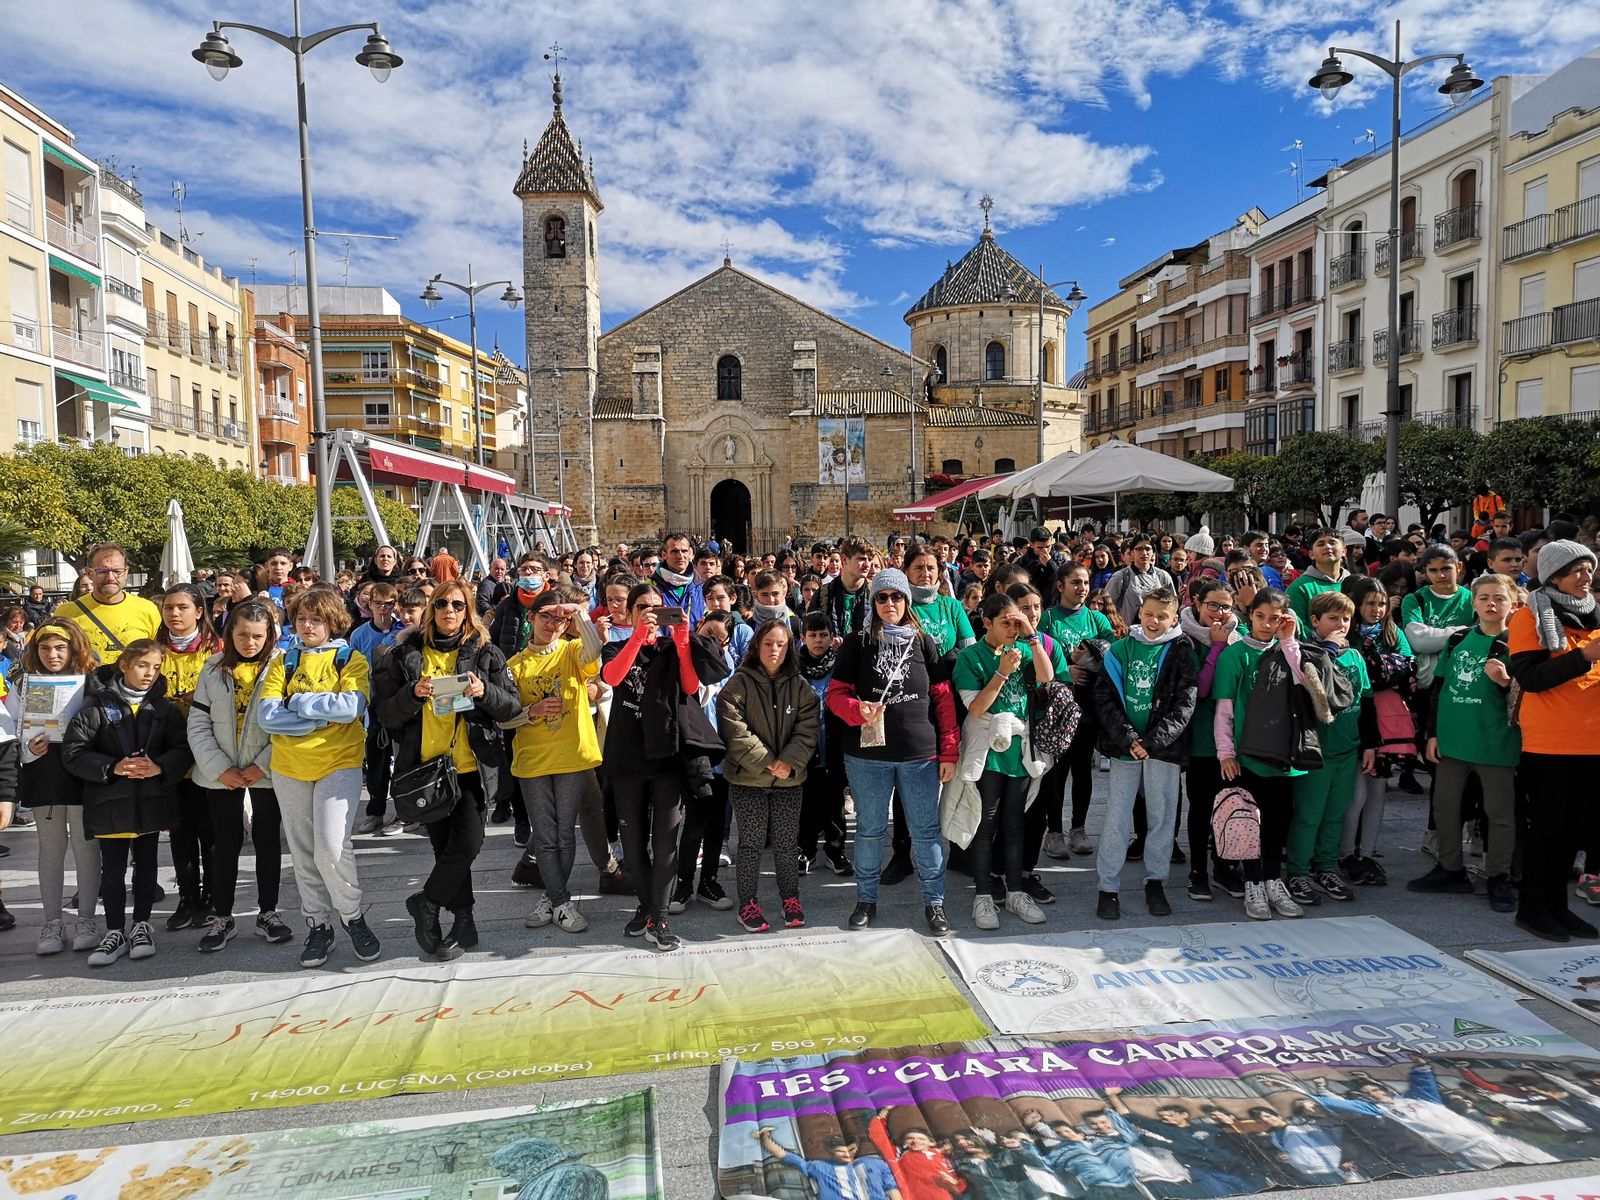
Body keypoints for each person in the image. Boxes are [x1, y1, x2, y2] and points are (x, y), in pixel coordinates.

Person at [374, 578, 518, 959]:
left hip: (471, 768)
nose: (449, 611)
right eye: (441, 604)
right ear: (430, 610)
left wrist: (484, 692)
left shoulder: (485, 652)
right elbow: (385, 714)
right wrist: (412, 694)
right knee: (446, 851)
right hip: (426, 771)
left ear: (468, 610)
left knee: (468, 845)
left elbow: (512, 707)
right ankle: (464, 924)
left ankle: (427, 901)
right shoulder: (406, 654)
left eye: (457, 605)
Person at [829, 568, 959, 935]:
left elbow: (943, 699)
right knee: (870, 830)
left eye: (897, 596)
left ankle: (934, 903)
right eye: (882, 597)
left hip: (920, 754)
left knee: (926, 831)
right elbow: (835, 694)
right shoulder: (857, 643)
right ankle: (866, 899)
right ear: (873, 602)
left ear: (907, 601)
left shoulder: (923, 642)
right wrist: (857, 710)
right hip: (868, 756)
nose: (890, 603)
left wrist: (949, 750)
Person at [257, 583, 380, 968]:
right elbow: (267, 717)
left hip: (339, 762)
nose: (307, 626)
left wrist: (297, 702)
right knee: (303, 851)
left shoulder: (351, 659)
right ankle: (318, 924)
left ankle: (352, 915)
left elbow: (351, 707)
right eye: (301, 619)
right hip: (289, 766)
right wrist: (320, 718)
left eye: (316, 619)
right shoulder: (282, 661)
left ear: (333, 622)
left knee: (331, 845)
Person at [600, 581, 726, 951]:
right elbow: (612, 677)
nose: (650, 613)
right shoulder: (615, 646)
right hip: (627, 757)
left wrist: (683, 638)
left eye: (657, 607)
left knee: (666, 842)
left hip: (668, 757)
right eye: (643, 607)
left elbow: (690, 686)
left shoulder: (673, 648)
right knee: (633, 845)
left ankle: (660, 917)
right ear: (630, 613)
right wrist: (639, 636)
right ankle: (647, 905)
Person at [62, 640, 193, 966]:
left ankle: (142, 925)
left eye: (156, 667)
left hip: (151, 801)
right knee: (112, 870)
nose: (150, 673)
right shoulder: (94, 708)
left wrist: (159, 767)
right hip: (109, 802)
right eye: (142, 666)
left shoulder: (164, 709)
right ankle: (115, 931)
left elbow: (182, 749)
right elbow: (74, 752)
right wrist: (112, 767)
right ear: (124, 666)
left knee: (147, 866)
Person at [1507, 541, 1600, 943]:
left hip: (1593, 742)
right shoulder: (1529, 616)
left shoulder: (1596, 614)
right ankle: (1532, 908)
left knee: (1574, 831)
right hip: (1549, 744)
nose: (1586, 577)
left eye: (1589, 569)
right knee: (1547, 829)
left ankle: (1558, 906)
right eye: (1577, 570)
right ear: (1554, 576)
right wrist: (1585, 657)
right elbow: (1531, 679)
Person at [187, 598, 292, 951]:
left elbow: (289, 724)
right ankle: (222, 915)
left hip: (265, 770)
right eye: (243, 634)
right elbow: (198, 723)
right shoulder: (213, 668)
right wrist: (220, 769)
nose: (250, 642)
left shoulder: (283, 666)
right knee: (224, 842)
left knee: (267, 839)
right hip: (222, 773)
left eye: (258, 636)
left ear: (270, 635)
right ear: (230, 632)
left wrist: (262, 765)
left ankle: (268, 911)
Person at [1410, 573, 1520, 912]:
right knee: (1445, 807)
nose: (1491, 604)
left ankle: (1498, 876)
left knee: (1499, 814)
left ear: (1513, 604)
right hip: (1452, 741)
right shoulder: (1458, 639)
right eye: (1484, 598)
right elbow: (1438, 689)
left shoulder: (1519, 643)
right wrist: (1432, 733)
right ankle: (1450, 869)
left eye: (1499, 598)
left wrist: (1506, 681)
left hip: (1496, 743)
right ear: (1473, 603)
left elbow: (1530, 694)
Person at [1091, 587, 1197, 920]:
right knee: (1117, 817)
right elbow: (1104, 699)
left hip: (1162, 750)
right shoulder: (1120, 649)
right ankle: (1108, 886)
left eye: (1162, 616)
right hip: (1125, 749)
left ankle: (1155, 882)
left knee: (1162, 816)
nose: (1154, 621)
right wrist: (1128, 738)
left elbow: (1185, 703)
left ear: (1174, 618)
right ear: (1139, 612)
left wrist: (1151, 742)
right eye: (1149, 614)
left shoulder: (1182, 650)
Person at [503, 589, 604, 935]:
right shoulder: (514, 665)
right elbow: (504, 719)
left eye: (560, 619)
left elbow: (594, 652)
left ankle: (554, 899)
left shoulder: (572, 651)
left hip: (571, 757)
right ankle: (560, 901)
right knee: (545, 837)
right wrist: (531, 712)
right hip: (532, 762)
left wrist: (579, 613)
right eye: (545, 615)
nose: (552, 624)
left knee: (564, 834)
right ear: (531, 618)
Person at [1213, 588, 1310, 921]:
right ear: (1250, 614)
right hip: (1248, 755)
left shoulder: (1289, 649)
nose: (1267, 624)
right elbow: (1224, 709)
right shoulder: (1234, 655)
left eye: (1275, 618)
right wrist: (1226, 752)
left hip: (1284, 753)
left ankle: (1273, 881)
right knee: (1249, 821)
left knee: (1278, 820)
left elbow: (1305, 681)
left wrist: (1289, 640)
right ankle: (1253, 882)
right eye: (1260, 616)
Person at [718, 619, 820, 932]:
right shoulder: (739, 682)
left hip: (788, 779)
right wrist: (766, 761)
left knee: (787, 844)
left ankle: (790, 898)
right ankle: (748, 903)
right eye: (768, 643)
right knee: (750, 843)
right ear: (757, 646)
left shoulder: (799, 685)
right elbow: (733, 727)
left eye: (781, 644)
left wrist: (789, 761)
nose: (774, 650)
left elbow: (808, 726)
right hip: (748, 779)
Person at [6, 621, 100, 954]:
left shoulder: (93, 682)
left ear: (74, 648)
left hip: (83, 773)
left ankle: (86, 919)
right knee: (50, 848)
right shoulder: (24, 684)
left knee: (86, 847)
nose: (53, 655)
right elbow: (11, 729)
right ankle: (52, 922)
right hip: (44, 772)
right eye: (45, 648)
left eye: (60, 648)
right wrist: (29, 750)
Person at [1283, 591, 1371, 908]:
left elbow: (1366, 700)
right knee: (1309, 816)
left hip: (1347, 750)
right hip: (1316, 752)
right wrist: (1330, 649)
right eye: (1333, 618)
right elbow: (1313, 682)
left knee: (1335, 815)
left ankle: (1326, 867)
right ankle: (1298, 872)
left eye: (1346, 618)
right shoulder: (1305, 652)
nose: (1341, 624)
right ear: (1314, 621)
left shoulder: (1355, 656)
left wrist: (1370, 744)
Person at [156, 583, 224, 932]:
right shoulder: (154, 650)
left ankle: (212, 897)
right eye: (169, 607)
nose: (175, 614)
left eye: (183, 607)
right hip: (168, 754)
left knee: (209, 830)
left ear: (199, 611)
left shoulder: (217, 650)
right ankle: (187, 897)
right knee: (179, 831)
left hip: (208, 753)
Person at [1339, 578, 1415, 886]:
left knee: (1377, 794)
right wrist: (1384, 668)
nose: (1377, 609)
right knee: (1355, 796)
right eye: (1370, 603)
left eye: (1382, 603)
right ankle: (1345, 854)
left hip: (1386, 726)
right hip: (1355, 722)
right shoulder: (1347, 634)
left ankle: (1367, 853)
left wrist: (1381, 667)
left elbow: (1408, 667)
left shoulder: (1393, 633)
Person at [1040, 562, 1115, 861]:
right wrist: (1065, 669)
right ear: (1060, 586)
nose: (1082, 588)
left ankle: (1079, 828)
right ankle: (1054, 831)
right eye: (1075, 582)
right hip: (1057, 706)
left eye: (1085, 582)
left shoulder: (1097, 618)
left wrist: (1094, 656)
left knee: (1083, 768)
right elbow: (1036, 656)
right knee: (1057, 771)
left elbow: (1113, 650)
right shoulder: (1047, 618)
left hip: (1088, 705)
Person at [1178, 579, 1236, 902]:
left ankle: (1225, 867)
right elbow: (1200, 688)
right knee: (1200, 808)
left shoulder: (1239, 636)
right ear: (1197, 603)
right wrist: (1216, 647)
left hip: (1233, 742)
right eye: (1212, 605)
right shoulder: (1185, 640)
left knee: (1229, 806)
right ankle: (1198, 870)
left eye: (1225, 606)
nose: (1219, 612)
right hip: (1201, 740)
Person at [350, 582, 403, 834]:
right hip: (373, 706)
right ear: (369, 604)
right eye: (378, 603)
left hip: (399, 704)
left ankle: (404, 811)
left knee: (403, 759)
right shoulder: (359, 635)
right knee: (376, 762)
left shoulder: (403, 630)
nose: (383, 609)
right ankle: (375, 811)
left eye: (389, 604)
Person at [54, 543, 162, 664]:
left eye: (117, 571)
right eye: (102, 571)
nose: (110, 577)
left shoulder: (148, 609)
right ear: (89, 573)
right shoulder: (66, 613)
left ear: (126, 572)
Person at [751, 1127, 900, 1200]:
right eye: (841, 1151)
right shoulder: (819, 1167)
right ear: (833, 1151)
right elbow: (785, 1155)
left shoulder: (875, 1163)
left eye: (851, 1150)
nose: (847, 1155)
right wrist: (766, 1139)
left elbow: (892, 1190)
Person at [869, 1108, 965, 1200]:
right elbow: (880, 1137)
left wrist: (954, 1183)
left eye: (921, 1139)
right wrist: (882, 1116)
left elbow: (959, 1186)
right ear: (904, 1142)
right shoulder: (900, 1155)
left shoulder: (941, 1157)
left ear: (931, 1143)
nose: (915, 1141)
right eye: (909, 1138)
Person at [1285, 528, 1348, 631]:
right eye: (1320, 544)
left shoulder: (1354, 583)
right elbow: (1296, 629)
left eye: (1332, 542)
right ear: (1311, 554)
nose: (1327, 547)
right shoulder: (1299, 587)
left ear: (1344, 551)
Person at [815, 536, 873, 638]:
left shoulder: (876, 594)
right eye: (862, 559)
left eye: (869, 560)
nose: (867, 565)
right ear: (844, 559)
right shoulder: (824, 593)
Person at [653, 531, 706, 622]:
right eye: (674, 551)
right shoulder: (651, 586)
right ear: (664, 555)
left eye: (684, 551)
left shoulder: (702, 586)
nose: (680, 556)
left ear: (690, 554)